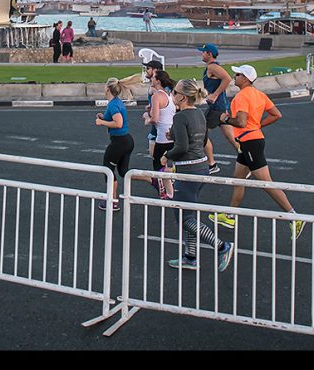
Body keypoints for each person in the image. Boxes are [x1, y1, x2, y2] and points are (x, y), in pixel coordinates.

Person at [208, 64, 304, 241]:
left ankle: (294, 216)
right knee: (238, 180)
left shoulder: (242, 96)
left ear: (244, 78)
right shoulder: (259, 95)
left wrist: (225, 118)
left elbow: (242, 122)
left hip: (251, 143)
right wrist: (259, 125)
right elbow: (276, 114)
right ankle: (230, 216)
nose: (234, 77)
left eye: (237, 74)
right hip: (250, 142)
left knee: (266, 184)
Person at [161, 78, 234, 271]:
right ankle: (190, 257)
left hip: (187, 170)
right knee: (190, 215)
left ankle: (221, 246)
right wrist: (175, 136)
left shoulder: (180, 117)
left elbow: (182, 147)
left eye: (175, 92)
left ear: (183, 97)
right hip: (201, 167)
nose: (172, 95)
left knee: (184, 218)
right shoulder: (200, 114)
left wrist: (166, 156)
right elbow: (201, 142)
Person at [196, 44, 240, 174]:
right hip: (220, 107)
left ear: (209, 54)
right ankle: (247, 160)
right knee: (231, 137)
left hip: (217, 108)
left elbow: (227, 78)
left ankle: (211, 164)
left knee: (200, 134)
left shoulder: (213, 67)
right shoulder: (211, 68)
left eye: (203, 52)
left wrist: (215, 95)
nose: (201, 54)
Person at [95, 77, 135, 211]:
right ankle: (154, 181)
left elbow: (118, 123)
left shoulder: (113, 104)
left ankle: (112, 201)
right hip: (126, 141)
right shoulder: (116, 101)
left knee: (108, 170)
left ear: (107, 88)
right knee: (124, 171)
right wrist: (103, 117)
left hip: (119, 142)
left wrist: (102, 123)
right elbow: (115, 118)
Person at [139, 69, 176, 200]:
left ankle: (165, 190)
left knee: (159, 166)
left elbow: (155, 119)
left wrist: (146, 118)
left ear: (158, 80)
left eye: (153, 77)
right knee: (165, 164)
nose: (151, 79)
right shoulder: (170, 95)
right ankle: (170, 192)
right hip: (172, 134)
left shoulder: (156, 96)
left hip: (162, 136)